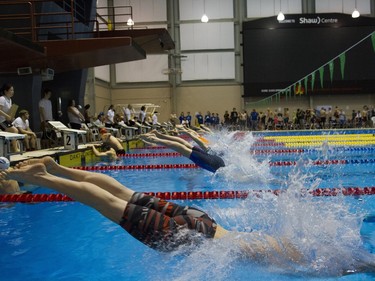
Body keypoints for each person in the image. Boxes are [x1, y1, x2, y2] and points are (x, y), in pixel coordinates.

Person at [2, 157, 375, 275]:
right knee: (108, 205)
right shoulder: (320, 267)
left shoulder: (315, 244)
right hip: (190, 236)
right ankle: (43, 177)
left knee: (119, 191)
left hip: (205, 222)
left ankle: (57, 167)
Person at [139, 130, 224, 173]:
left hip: (218, 158)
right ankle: (155, 139)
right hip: (214, 165)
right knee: (182, 148)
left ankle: (158, 135)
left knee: (185, 145)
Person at [0, 83, 21, 152]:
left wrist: (12, 117)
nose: (12, 92)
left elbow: (10, 112)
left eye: (13, 90)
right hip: (1, 121)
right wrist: (7, 116)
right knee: (14, 130)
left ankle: (13, 146)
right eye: (11, 90)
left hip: (6, 121)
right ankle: (14, 148)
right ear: (6, 91)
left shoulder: (10, 100)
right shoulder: (2, 98)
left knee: (15, 130)